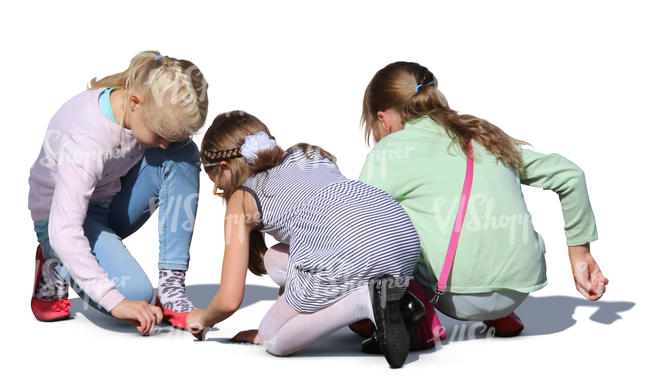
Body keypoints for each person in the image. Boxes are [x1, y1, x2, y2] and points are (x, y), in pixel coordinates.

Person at [356, 61, 608, 341]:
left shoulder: (390, 150)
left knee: (382, 218)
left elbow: (360, 222)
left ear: (382, 119)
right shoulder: (483, 135)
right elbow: (570, 175)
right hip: (518, 290)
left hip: (450, 295)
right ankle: (499, 316)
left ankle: (416, 316)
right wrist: (580, 253)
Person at [186, 111, 420, 367]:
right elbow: (319, 231)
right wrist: (285, 313)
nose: (221, 192)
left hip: (353, 253)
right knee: (275, 258)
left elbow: (229, 299)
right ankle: (395, 303)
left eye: (217, 185)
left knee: (272, 338)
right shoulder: (307, 154)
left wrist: (203, 318)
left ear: (223, 168)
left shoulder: (241, 200)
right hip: (402, 238)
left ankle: (365, 303)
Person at [28, 50, 209, 334]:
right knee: (135, 295)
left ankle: (171, 287)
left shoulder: (143, 109)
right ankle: (54, 260)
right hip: (61, 222)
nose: (164, 145)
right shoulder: (87, 142)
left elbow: (168, 148)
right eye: (160, 135)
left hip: (106, 205)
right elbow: (64, 228)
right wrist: (117, 302)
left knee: (183, 153)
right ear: (136, 102)